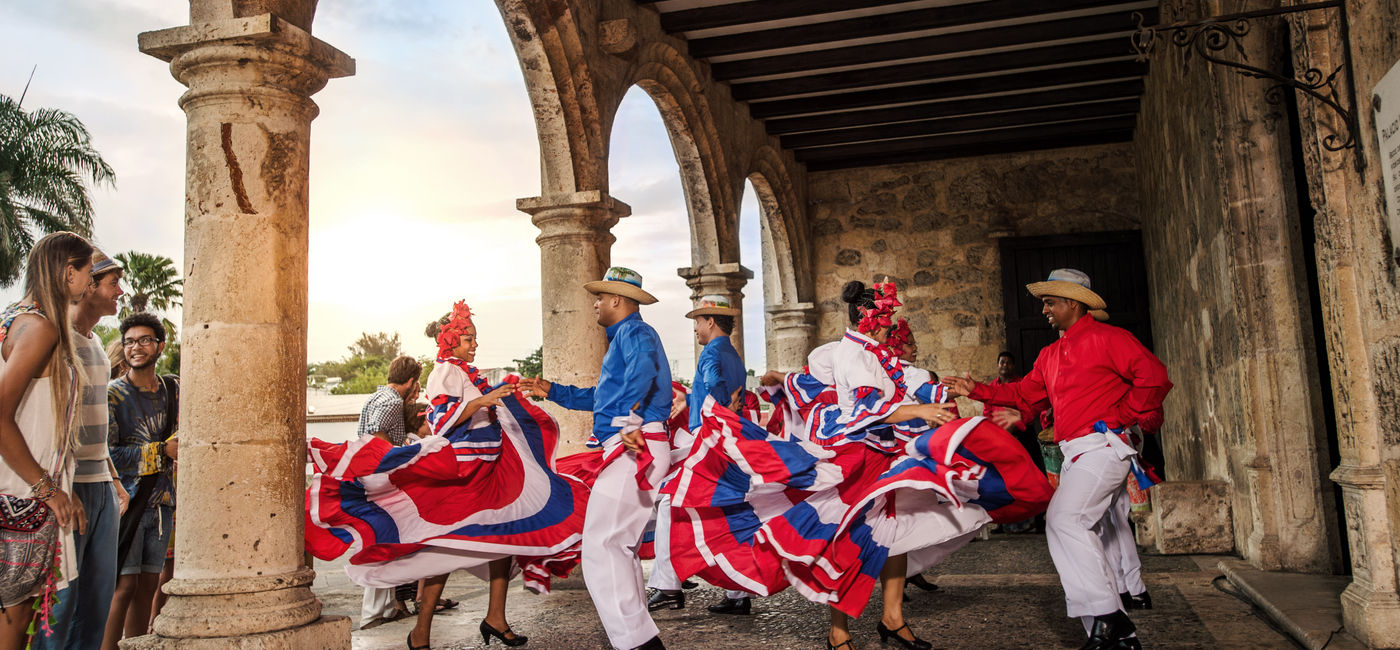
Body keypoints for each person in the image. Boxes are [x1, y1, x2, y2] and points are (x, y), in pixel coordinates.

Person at [306, 300, 588, 650]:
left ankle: (495, 617)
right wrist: (483, 402)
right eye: (469, 339)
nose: (475, 344)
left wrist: (506, 398)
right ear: (451, 341)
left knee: (505, 534)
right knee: (448, 544)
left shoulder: (466, 372)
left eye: (475, 338)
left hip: (489, 468)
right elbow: (441, 422)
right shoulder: (444, 372)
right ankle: (421, 631)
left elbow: (483, 410)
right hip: (464, 473)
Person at [943, 269, 1171, 650]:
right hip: (1074, 454)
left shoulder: (1110, 338)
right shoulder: (1050, 354)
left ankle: (1110, 617)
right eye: (1044, 303)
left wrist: (1123, 413)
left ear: (1073, 302)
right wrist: (977, 389)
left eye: (1050, 301)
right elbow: (1024, 394)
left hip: (1102, 448)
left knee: (1066, 520)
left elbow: (1155, 378)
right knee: (1064, 528)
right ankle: (1120, 637)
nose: (1044, 309)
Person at [520, 266, 672, 650]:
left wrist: (627, 420)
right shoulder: (626, 337)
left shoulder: (635, 333)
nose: (596, 304)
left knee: (602, 548)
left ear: (617, 300)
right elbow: (601, 396)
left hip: (634, 444)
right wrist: (551, 390)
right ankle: (639, 638)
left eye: (600, 297)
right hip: (635, 442)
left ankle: (638, 643)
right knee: (619, 547)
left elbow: (642, 375)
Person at [0, 232, 94, 649]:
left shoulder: (16, 317)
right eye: (89, 273)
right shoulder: (39, 327)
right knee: (14, 622)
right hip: (20, 495)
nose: (91, 284)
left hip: (20, 490)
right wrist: (49, 490)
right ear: (68, 272)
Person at [34, 250, 130, 650]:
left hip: (101, 487)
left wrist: (114, 480)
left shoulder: (97, 348)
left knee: (96, 601)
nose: (119, 292)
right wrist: (58, 486)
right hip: (70, 488)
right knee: (60, 604)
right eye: (111, 283)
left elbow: (95, 426)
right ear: (88, 286)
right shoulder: (55, 341)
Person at [645, 295, 752, 615]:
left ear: (710, 321)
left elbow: (716, 387)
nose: (695, 329)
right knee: (724, 512)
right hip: (728, 439)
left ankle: (667, 586)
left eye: (698, 322)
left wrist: (715, 409)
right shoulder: (733, 354)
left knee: (668, 500)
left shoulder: (711, 354)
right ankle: (737, 594)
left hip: (710, 439)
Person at [103, 312, 179, 650]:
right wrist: (161, 450)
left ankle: (135, 645)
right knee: (123, 586)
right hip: (125, 501)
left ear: (160, 346)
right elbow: (108, 453)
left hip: (162, 501)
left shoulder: (172, 389)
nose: (137, 347)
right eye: (130, 341)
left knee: (150, 584)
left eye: (145, 340)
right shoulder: (113, 395)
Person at [354, 356, 424, 630]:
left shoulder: (375, 396)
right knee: (384, 543)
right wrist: (397, 454)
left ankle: (384, 608)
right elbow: (378, 434)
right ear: (411, 381)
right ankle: (374, 613)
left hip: (366, 476)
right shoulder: (392, 401)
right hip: (380, 477)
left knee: (385, 541)